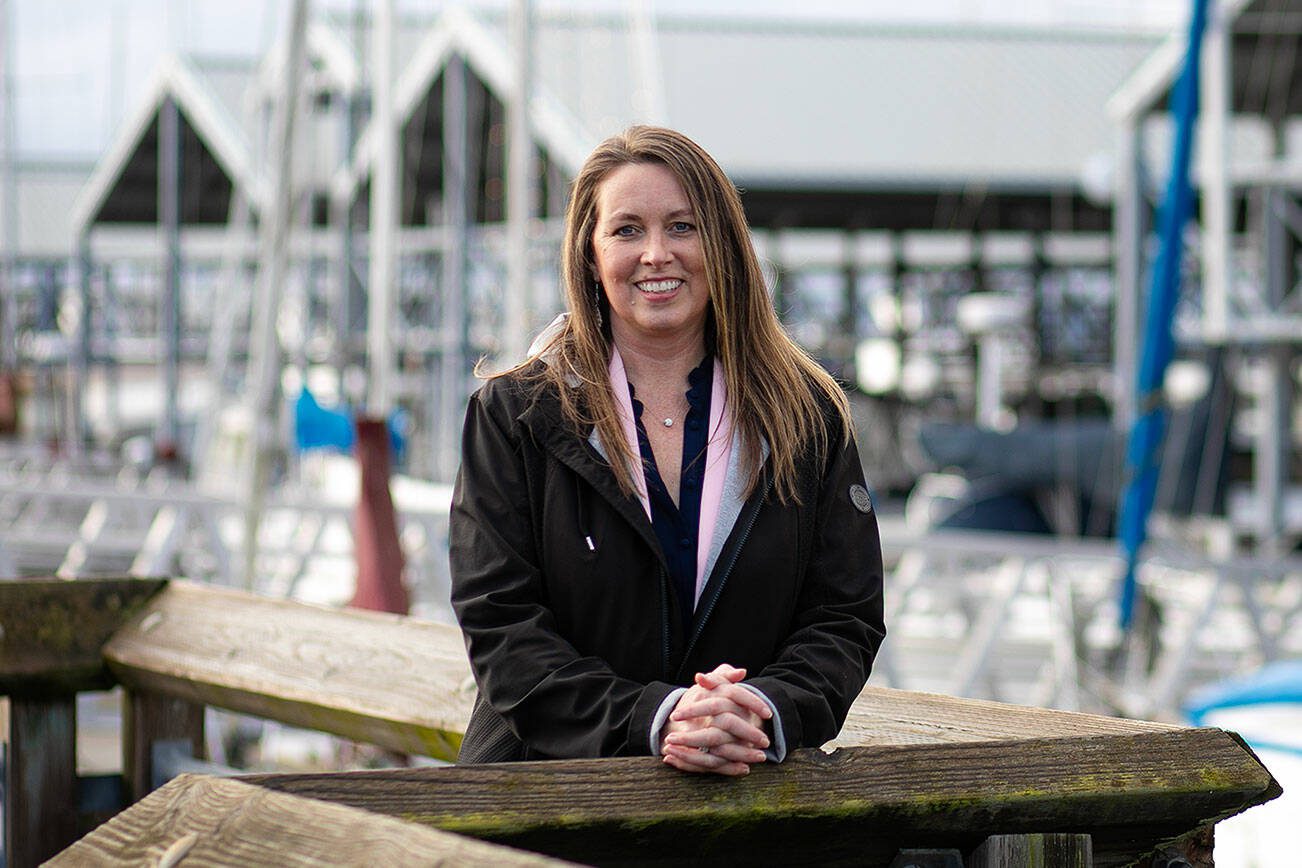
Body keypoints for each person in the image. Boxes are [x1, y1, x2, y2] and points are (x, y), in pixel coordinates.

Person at [449, 125, 884, 776]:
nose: (656, 253)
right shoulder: (516, 417)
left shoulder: (807, 418)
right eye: (627, 230)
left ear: (723, 244)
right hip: (547, 805)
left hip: (748, 805)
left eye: (683, 227)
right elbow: (503, 628)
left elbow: (843, 618)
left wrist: (767, 710)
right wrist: (655, 719)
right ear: (589, 255)